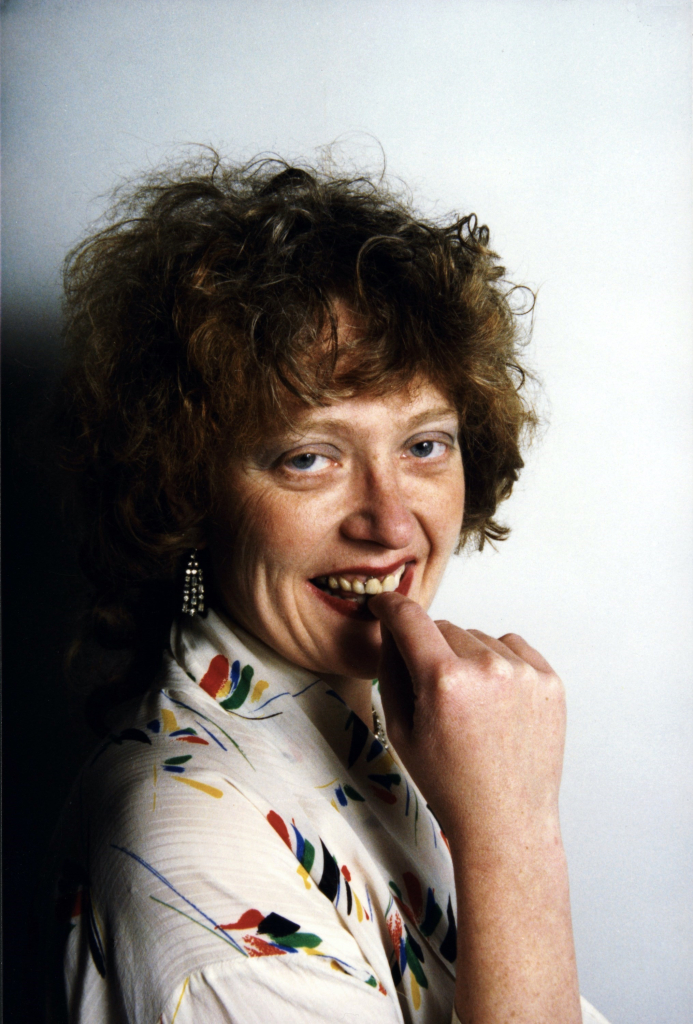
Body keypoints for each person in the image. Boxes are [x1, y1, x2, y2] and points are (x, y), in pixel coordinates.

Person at [49, 155, 609, 1024]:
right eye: (308, 457)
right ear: (187, 493)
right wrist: (515, 837)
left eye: (423, 445)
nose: (390, 522)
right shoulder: (192, 839)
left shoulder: (400, 732)